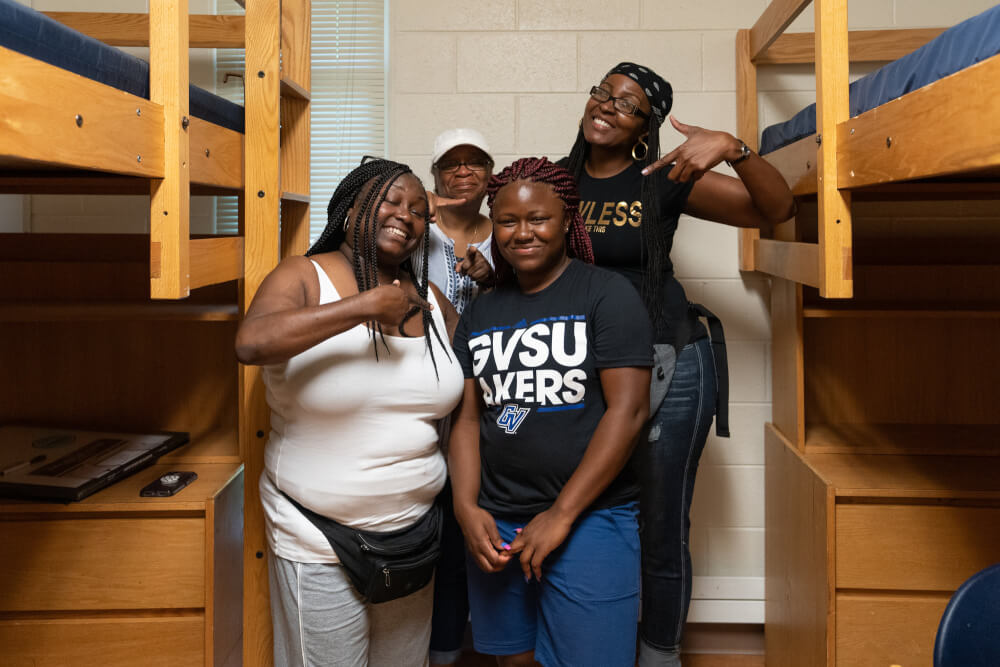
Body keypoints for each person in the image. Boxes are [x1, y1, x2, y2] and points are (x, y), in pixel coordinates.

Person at [560, 62, 796, 666]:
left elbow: (773, 208)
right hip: (583, 372)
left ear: (647, 128)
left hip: (671, 362)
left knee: (661, 528)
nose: (607, 106)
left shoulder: (663, 176)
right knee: (583, 515)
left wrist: (734, 148)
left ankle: (659, 655)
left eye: (628, 104)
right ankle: (593, 643)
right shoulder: (558, 183)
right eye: (602, 93)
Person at [234, 157, 465, 667]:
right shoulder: (304, 275)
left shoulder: (430, 297)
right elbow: (251, 343)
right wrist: (361, 307)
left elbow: (466, 393)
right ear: (353, 206)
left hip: (415, 531)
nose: (406, 215)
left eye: (419, 210)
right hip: (318, 533)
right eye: (391, 200)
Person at [449, 157, 653, 667]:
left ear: (567, 220)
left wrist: (561, 514)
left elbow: (627, 412)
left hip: (589, 519)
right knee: (513, 658)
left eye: (538, 218)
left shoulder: (607, 294)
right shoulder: (482, 309)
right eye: (507, 221)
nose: (522, 233)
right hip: (497, 520)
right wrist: (466, 507)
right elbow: (469, 419)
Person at [422, 128, 497, 667]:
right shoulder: (412, 228)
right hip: (429, 392)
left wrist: (492, 281)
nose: (463, 171)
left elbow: (535, 305)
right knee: (443, 521)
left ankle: (506, 642)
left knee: (496, 505)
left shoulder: (512, 230)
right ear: (436, 175)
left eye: (475, 162)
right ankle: (443, 646)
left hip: (502, 398)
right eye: (452, 163)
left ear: (491, 174)